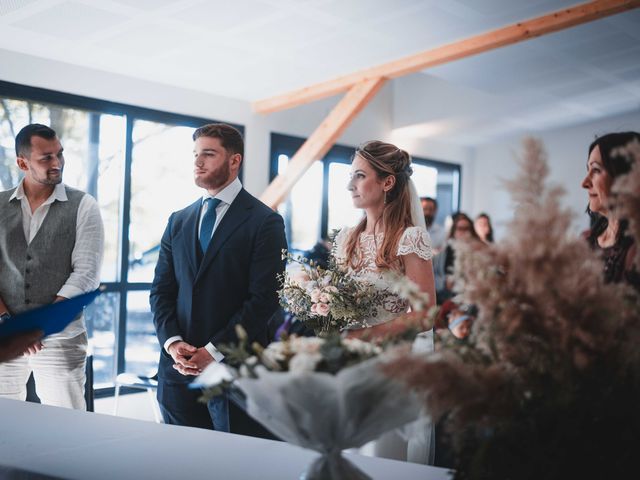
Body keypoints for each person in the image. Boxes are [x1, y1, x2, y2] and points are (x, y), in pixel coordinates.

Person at [150, 123, 287, 433]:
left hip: (236, 370)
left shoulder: (265, 222)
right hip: (177, 370)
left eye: (208, 154)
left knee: (234, 466)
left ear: (234, 160)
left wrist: (212, 352)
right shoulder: (178, 220)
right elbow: (161, 290)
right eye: (196, 155)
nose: (198, 163)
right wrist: (172, 344)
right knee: (181, 463)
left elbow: (264, 299)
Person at [333, 140, 436, 463]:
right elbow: (335, 300)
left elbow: (426, 314)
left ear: (387, 182)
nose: (351, 184)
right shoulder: (346, 238)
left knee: (378, 455)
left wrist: (370, 335)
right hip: (347, 361)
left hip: (390, 364)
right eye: (351, 175)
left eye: (360, 176)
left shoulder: (410, 238)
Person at [0, 124, 104, 409]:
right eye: (46, 157)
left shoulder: (83, 205)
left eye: (59, 154)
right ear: (22, 163)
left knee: (66, 427)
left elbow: (86, 273)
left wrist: (39, 328)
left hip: (61, 338)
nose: (57, 163)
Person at [581, 131, 640, 290]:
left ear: (624, 176)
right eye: (587, 170)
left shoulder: (636, 252)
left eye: (596, 170)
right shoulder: (585, 241)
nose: (584, 183)